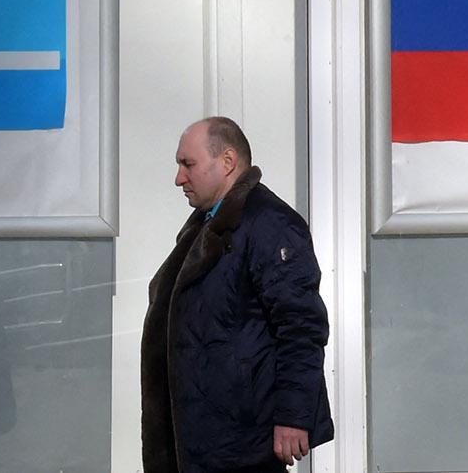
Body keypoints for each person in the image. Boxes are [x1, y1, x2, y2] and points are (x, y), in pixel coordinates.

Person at [141, 117, 334, 473]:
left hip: (241, 442)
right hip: (205, 438)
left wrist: (293, 415)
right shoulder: (208, 224)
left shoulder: (269, 224)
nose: (179, 178)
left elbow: (301, 326)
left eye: (188, 164)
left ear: (227, 161)